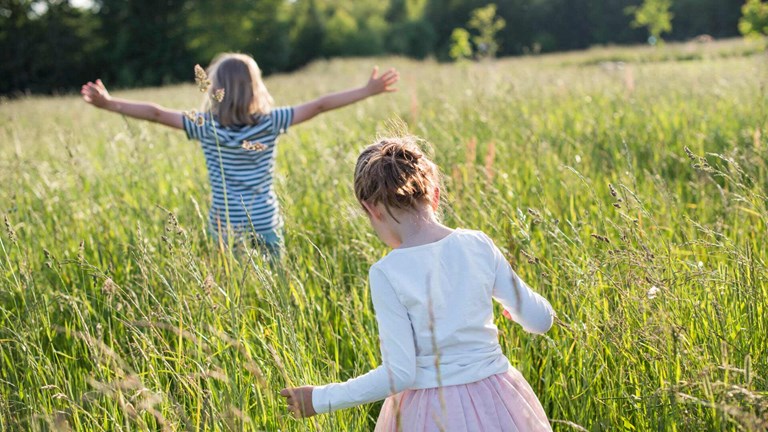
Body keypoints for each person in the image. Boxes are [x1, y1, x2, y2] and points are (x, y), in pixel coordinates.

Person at [280, 136, 555, 431]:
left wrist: (320, 399)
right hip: (499, 400)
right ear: (434, 195)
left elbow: (399, 373)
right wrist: (517, 312)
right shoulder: (478, 244)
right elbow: (540, 320)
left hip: (431, 412)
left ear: (372, 209)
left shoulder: (387, 272)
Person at [81, 53, 399, 253]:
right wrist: (366, 91)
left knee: (232, 292)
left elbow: (155, 113)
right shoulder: (271, 122)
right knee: (272, 291)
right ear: (255, 88)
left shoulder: (204, 125)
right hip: (265, 222)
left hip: (224, 225)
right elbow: (319, 105)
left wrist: (109, 104)